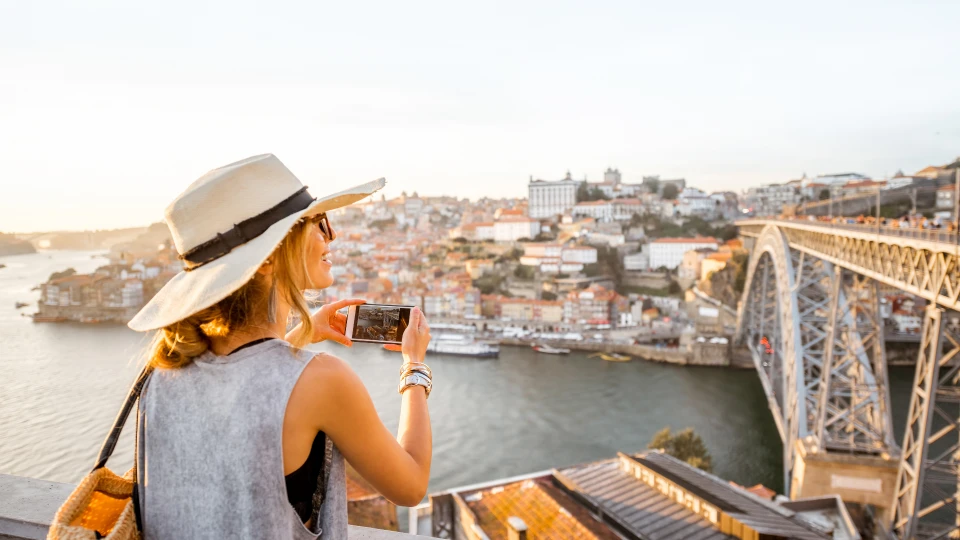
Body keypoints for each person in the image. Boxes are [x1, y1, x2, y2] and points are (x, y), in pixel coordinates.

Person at [127, 154, 433, 539]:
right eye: (317, 223)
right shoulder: (321, 380)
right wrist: (414, 367)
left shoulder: (161, 372)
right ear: (271, 257)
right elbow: (411, 485)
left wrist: (300, 336)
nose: (330, 236)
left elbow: (248, 398)